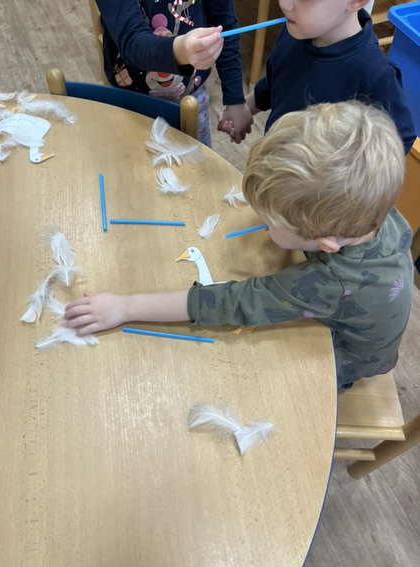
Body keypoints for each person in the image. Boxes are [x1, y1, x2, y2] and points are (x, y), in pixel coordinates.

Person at [64, 101, 413, 389]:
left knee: (254, 377)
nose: (262, 221)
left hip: (348, 359)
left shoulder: (328, 283)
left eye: (270, 221)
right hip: (367, 321)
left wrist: (125, 307)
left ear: (326, 242)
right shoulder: (376, 212)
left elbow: (233, 301)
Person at [219, 0, 416, 152]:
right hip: (278, 165)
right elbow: (276, 84)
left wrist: (348, 174)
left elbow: (400, 141)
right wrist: (245, 108)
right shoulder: (294, 32)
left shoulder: (375, 74)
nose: (285, 5)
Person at [95, 0, 252, 147]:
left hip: (192, 99)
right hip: (129, 102)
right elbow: (132, 41)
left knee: (196, 164)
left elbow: (225, 24)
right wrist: (181, 51)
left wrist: (235, 100)